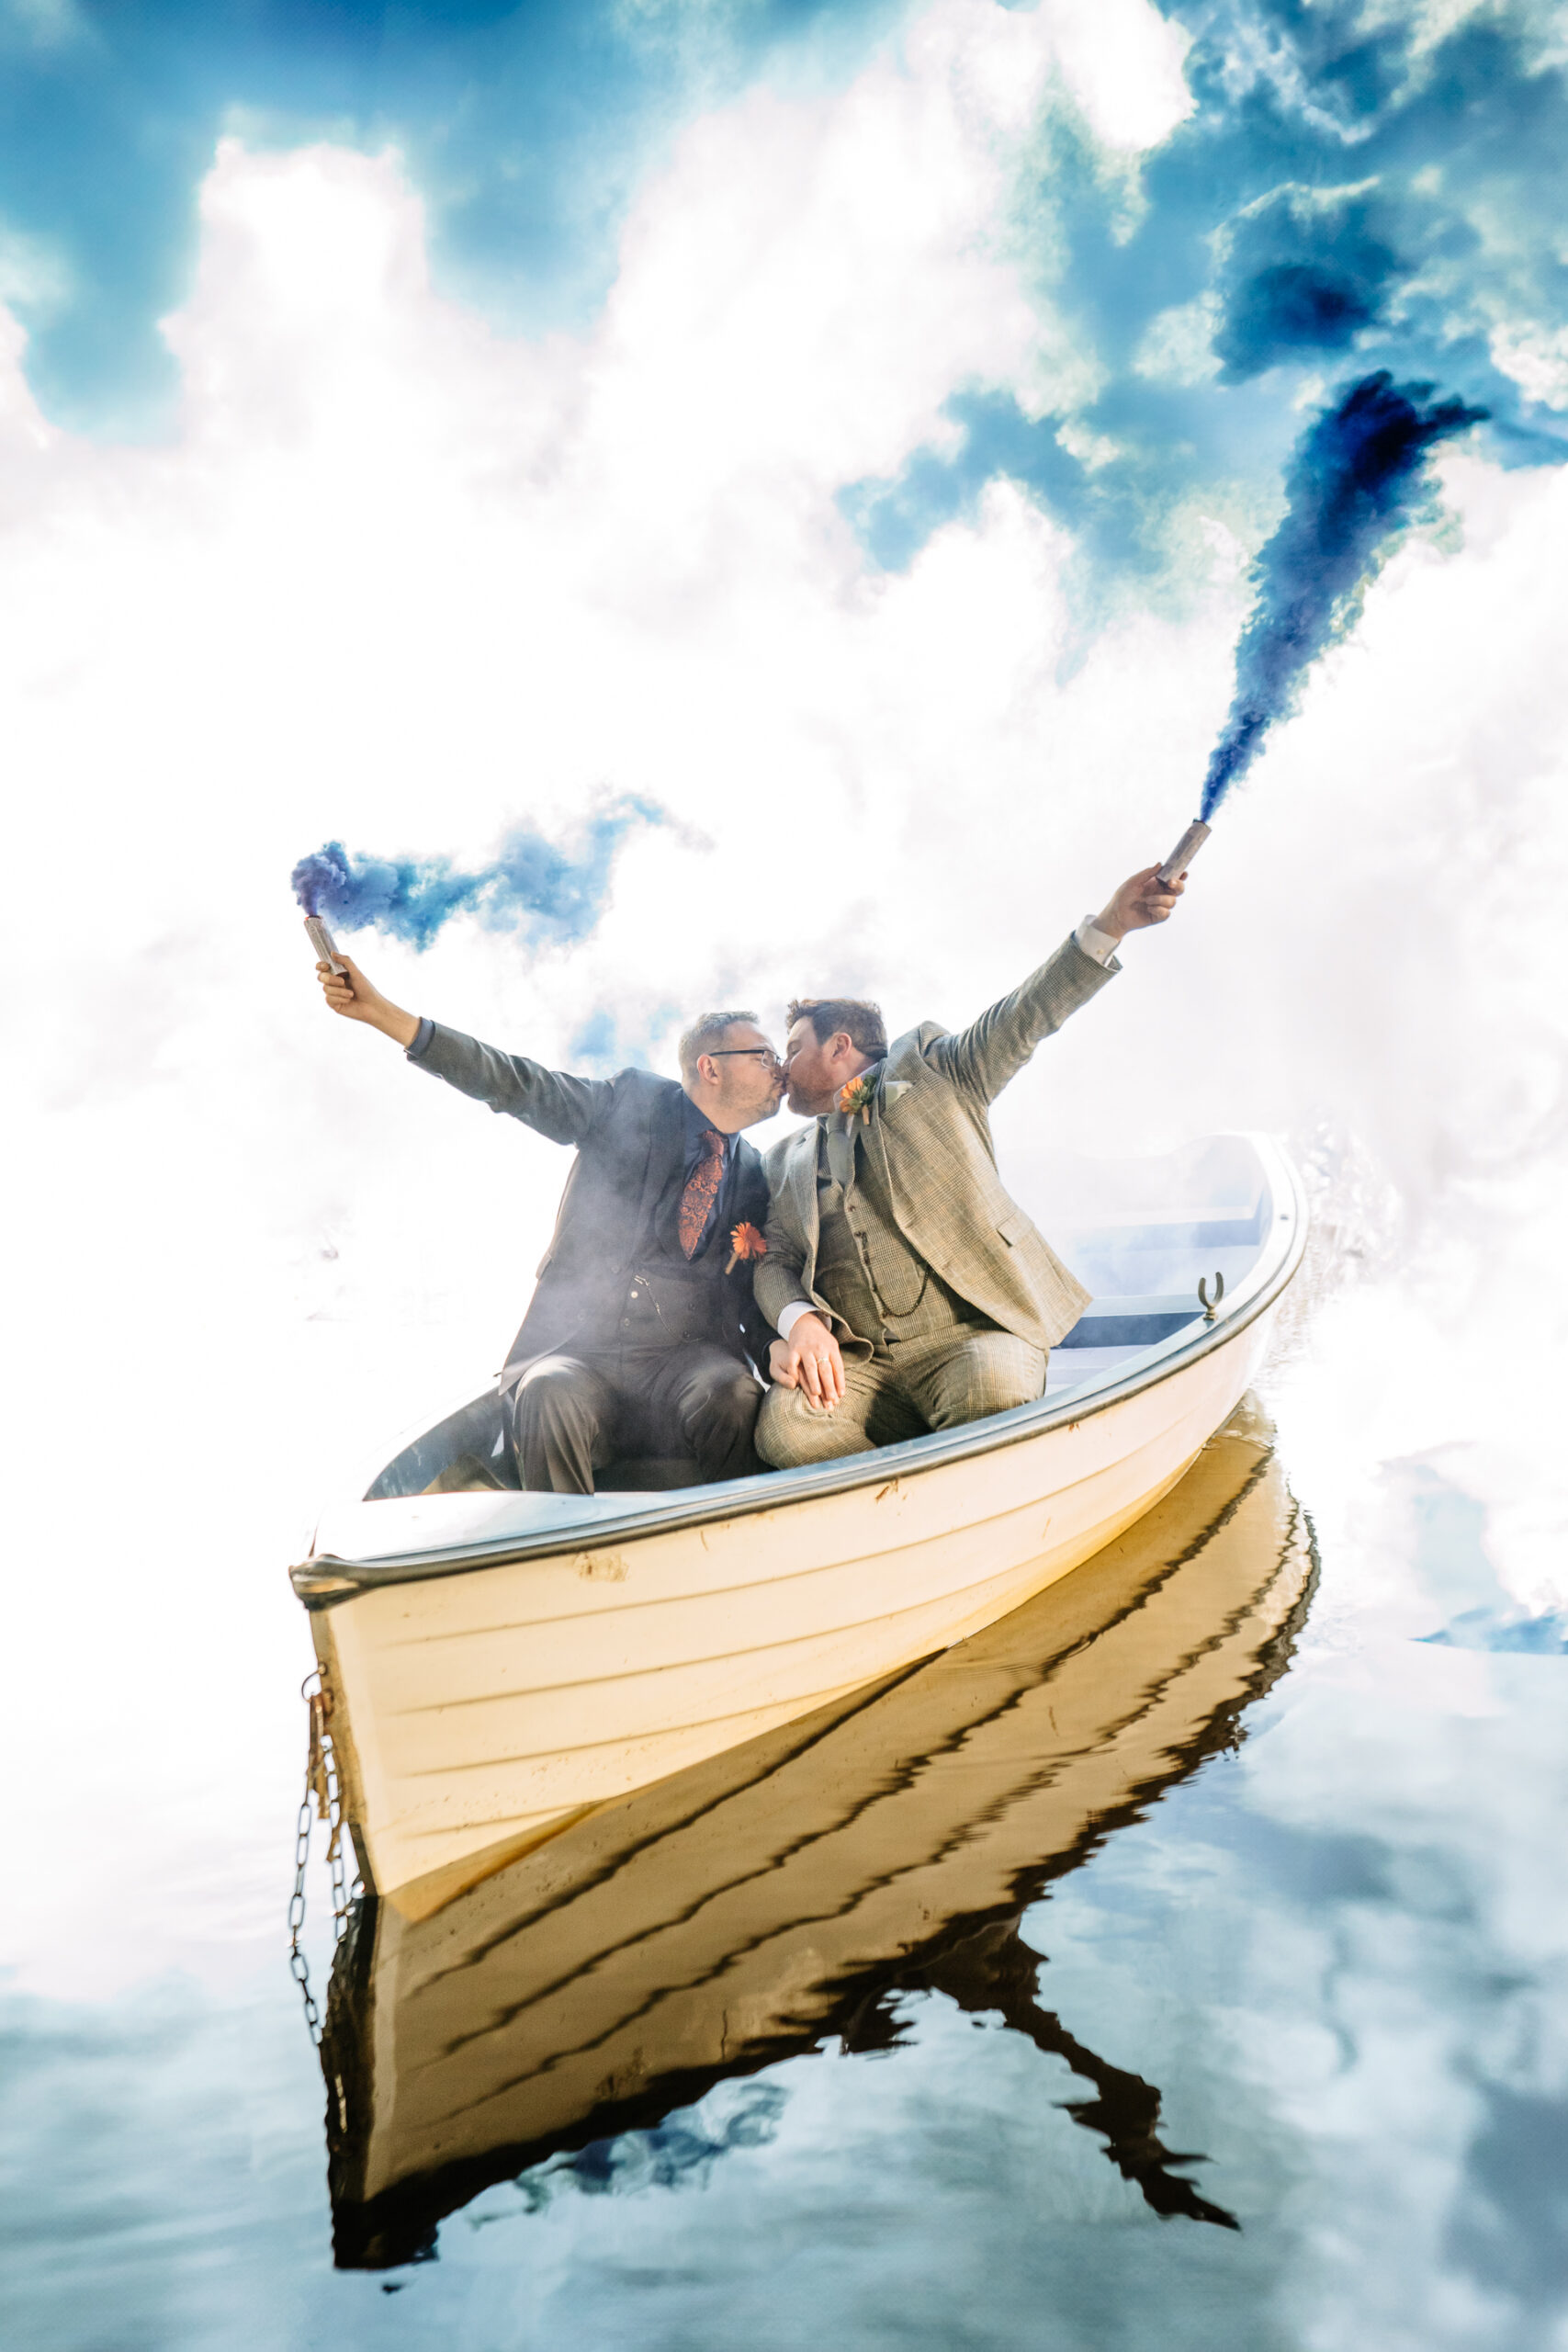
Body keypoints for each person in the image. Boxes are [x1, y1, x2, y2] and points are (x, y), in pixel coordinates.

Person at [752, 864, 1183, 1466]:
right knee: (788, 1431)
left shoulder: (930, 1066)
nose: (782, 1065)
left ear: (839, 1047)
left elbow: (1023, 1017)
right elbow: (774, 1260)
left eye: (793, 1047)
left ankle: (961, 1477)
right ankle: (900, 1505)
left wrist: (1112, 924)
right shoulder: (780, 1161)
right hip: (863, 1367)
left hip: (971, 1338)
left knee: (989, 1394)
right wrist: (798, 1321)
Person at [314, 956, 784, 1493]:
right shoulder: (629, 1101)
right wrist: (387, 1016)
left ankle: (738, 1548)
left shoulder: (754, 1174)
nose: (779, 1068)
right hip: (583, 1352)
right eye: (764, 1054)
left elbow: (756, 1295)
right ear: (711, 1067)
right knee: (548, 1390)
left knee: (734, 1393)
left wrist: (776, 1346)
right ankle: (568, 1559)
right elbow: (518, 1084)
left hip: (684, 1364)